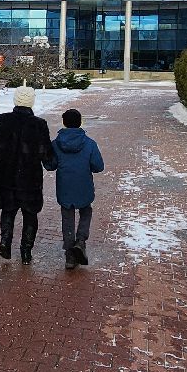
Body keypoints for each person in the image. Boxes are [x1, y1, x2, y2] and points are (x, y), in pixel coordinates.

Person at [0, 86, 57, 265]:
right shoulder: (39, 125)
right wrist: (51, 162)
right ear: (31, 102)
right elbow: (46, 154)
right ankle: (26, 251)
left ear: (15, 101)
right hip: (30, 179)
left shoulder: (3, 120)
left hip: (7, 176)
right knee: (30, 214)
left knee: (8, 211)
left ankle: (5, 242)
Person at [53, 108, 105, 269]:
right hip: (84, 186)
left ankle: (70, 254)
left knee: (67, 217)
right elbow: (98, 166)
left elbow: (50, 165)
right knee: (86, 211)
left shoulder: (56, 144)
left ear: (64, 123)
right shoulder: (89, 143)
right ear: (80, 122)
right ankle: (81, 241)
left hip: (65, 187)